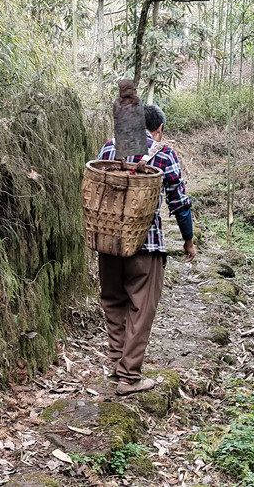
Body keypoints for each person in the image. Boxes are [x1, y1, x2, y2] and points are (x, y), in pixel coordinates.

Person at [97, 99, 196, 396]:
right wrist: (188, 240)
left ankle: (117, 365)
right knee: (142, 309)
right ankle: (129, 377)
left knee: (113, 301)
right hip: (146, 245)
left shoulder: (109, 148)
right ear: (159, 128)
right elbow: (179, 202)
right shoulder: (164, 154)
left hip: (108, 242)